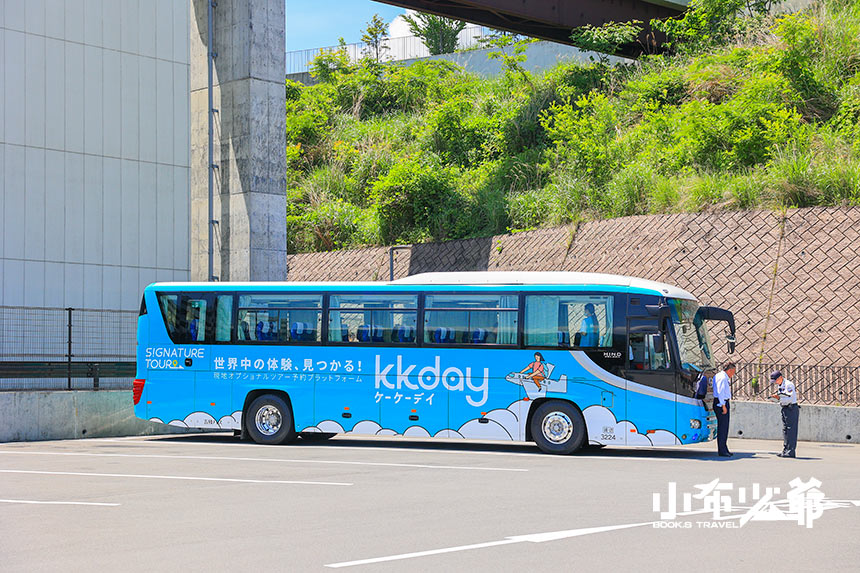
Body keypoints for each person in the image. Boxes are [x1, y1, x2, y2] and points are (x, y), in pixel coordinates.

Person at [770, 371, 799, 458]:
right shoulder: (781, 385)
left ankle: (791, 451)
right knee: (785, 430)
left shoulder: (788, 385)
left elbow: (789, 398)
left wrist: (778, 398)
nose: (775, 383)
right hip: (785, 408)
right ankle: (786, 450)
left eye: (775, 380)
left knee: (791, 431)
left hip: (791, 408)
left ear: (780, 377)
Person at [713, 362, 735, 457]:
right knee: (723, 427)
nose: (733, 374)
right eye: (733, 372)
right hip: (721, 403)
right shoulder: (722, 378)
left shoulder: (719, 376)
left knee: (723, 427)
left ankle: (724, 448)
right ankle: (722, 450)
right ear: (729, 370)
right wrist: (723, 405)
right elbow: (720, 392)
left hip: (720, 402)